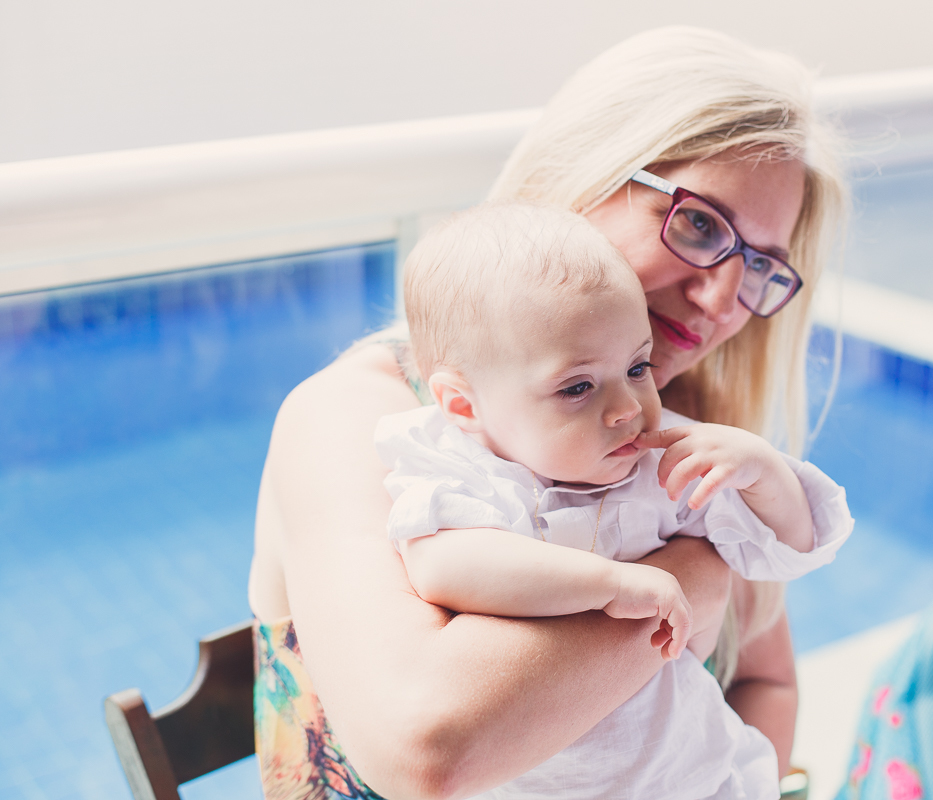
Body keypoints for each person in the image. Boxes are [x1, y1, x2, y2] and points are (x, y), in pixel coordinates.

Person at [248, 25, 845, 800]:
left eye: (759, 264)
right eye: (700, 224)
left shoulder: (677, 431)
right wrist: (694, 575)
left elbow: (765, 679)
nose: (723, 301)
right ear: (584, 172)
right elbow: (427, 750)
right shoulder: (358, 418)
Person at [377, 202, 851, 799]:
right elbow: (445, 567)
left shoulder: (658, 461)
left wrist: (762, 474)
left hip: (689, 777)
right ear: (465, 407)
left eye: (637, 366)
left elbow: (787, 548)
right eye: (577, 386)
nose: (628, 405)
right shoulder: (465, 470)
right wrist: (612, 584)